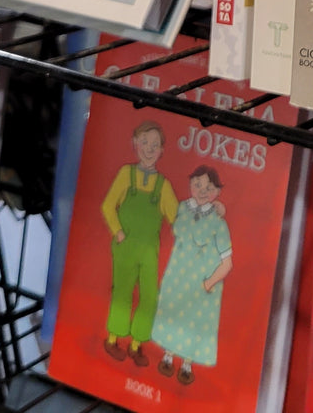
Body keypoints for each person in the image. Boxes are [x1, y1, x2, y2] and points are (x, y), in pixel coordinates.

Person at [100, 121, 178, 365]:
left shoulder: (163, 185)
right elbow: (108, 205)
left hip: (149, 251)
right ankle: (113, 339)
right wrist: (118, 232)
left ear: (162, 150)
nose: (149, 149)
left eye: (155, 145)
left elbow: (176, 218)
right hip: (126, 246)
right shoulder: (127, 174)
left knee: (150, 296)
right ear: (135, 144)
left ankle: (136, 344)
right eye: (145, 142)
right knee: (122, 292)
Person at [152, 165, 233, 385]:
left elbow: (227, 262)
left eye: (209, 187)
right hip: (176, 279)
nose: (202, 191)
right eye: (197, 184)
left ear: (217, 191)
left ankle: (187, 364)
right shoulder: (182, 208)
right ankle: (168, 356)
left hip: (201, 286)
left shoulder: (219, 223)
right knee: (173, 315)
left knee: (193, 323)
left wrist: (209, 283)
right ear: (190, 184)